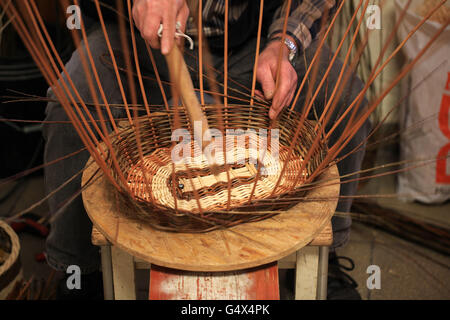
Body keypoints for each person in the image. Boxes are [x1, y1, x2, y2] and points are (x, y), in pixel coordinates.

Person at [43, 0, 369, 299]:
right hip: (138, 42)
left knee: (347, 101)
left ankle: (327, 259)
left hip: (253, 42)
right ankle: (79, 271)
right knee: (72, 105)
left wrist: (284, 43)